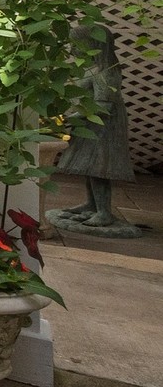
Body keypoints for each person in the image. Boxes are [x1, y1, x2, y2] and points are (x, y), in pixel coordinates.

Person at [48, 24, 142, 239]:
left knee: (99, 167)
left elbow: (104, 105)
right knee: (88, 166)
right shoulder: (93, 69)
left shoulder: (106, 72)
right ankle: (91, 204)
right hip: (91, 123)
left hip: (103, 125)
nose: (73, 50)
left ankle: (104, 212)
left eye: (76, 45)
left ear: (93, 45)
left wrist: (69, 118)